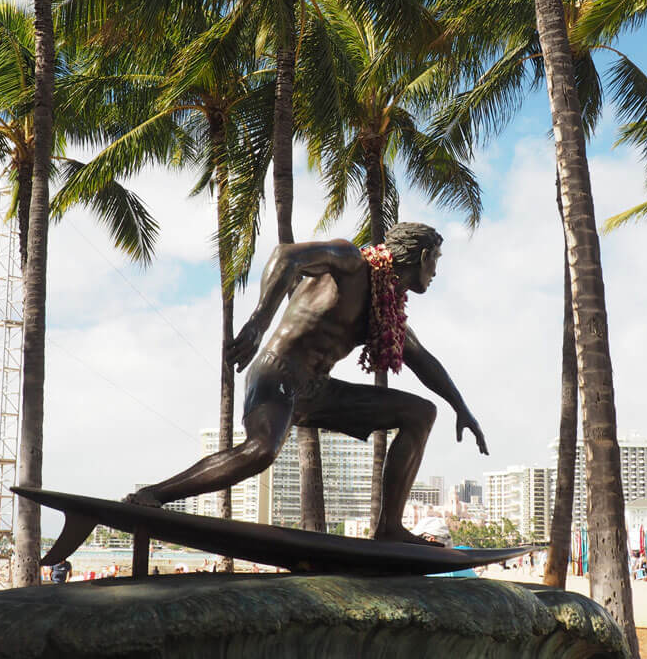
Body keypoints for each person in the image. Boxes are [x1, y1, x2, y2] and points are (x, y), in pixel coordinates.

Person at [126, 223, 488, 544]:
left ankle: (389, 527)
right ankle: (154, 494)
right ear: (423, 256)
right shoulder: (351, 261)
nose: (436, 273)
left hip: (318, 390)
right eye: (436, 262)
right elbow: (287, 256)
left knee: (420, 413)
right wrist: (258, 322)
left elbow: (423, 360)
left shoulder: (384, 306)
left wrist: (463, 409)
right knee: (260, 452)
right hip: (278, 373)